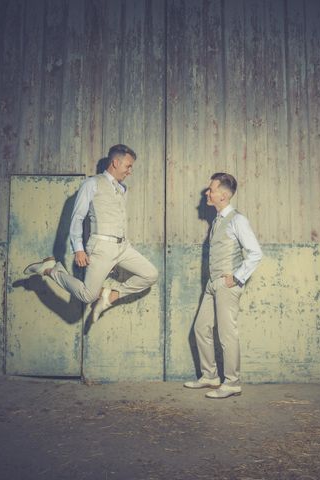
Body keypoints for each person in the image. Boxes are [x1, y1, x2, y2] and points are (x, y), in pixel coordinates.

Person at [24, 144, 158, 323]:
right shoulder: (92, 183)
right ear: (115, 162)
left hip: (123, 246)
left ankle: (109, 297)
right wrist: (78, 248)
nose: (130, 171)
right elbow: (77, 217)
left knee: (150, 274)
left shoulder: (122, 189)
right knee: (87, 296)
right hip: (101, 246)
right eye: (128, 166)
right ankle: (51, 269)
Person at [184, 173, 262, 399]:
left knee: (227, 335)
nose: (207, 193)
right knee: (201, 328)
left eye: (211, 190)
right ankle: (210, 375)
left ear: (224, 195)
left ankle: (232, 382)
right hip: (212, 284)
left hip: (227, 285)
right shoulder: (217, 221)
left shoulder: (238, 220)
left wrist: (237, 277)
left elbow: (255, 253)